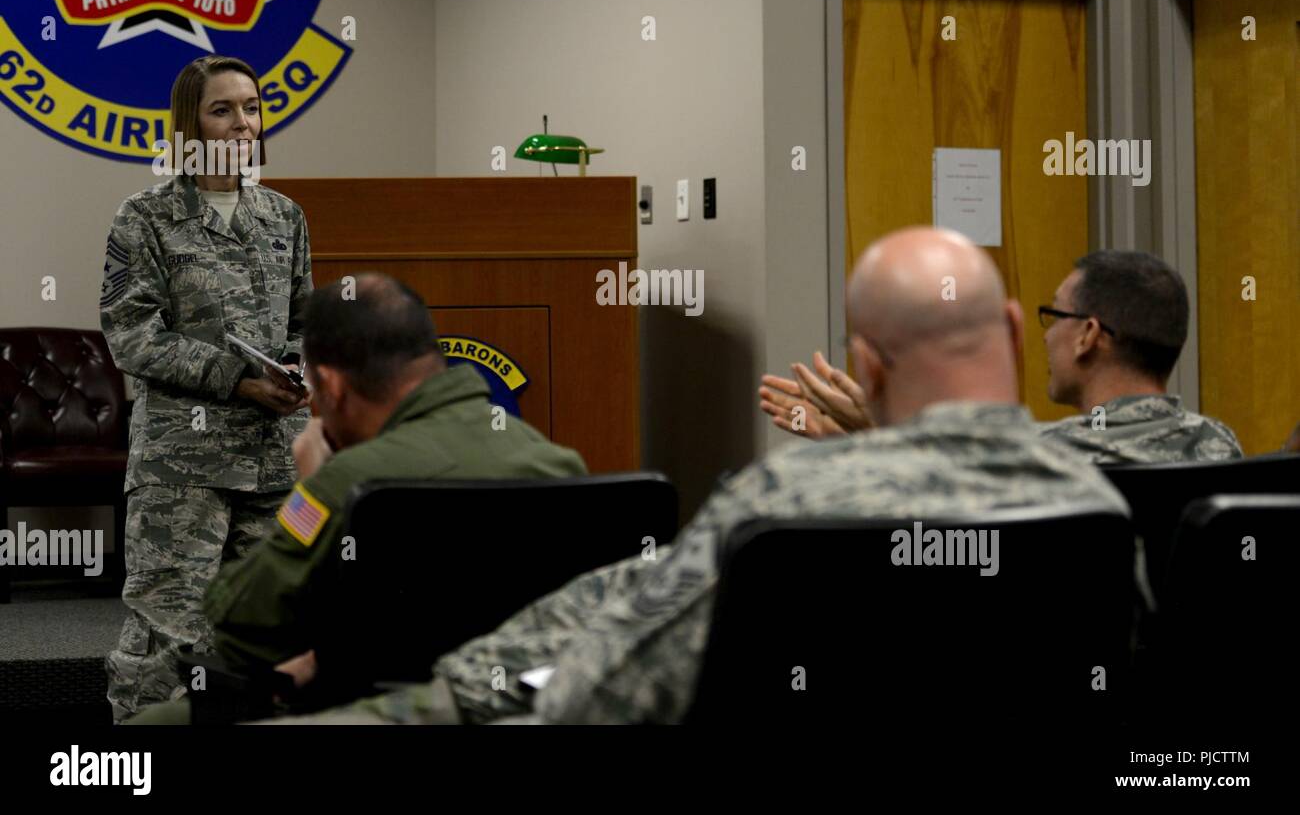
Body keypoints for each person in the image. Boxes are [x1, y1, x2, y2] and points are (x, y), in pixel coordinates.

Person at [282, 226, 1131, 725]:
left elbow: (588, 702)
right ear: (1019, 332)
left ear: (867, 368)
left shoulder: (788, 511)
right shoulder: (1098, 510)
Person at [126, 273, 588, 723]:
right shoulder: (559, 464)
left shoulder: (343, 484)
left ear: (334, 386)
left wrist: (307, 491)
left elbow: (241, 628)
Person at [101, 55, 312, 722]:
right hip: (183, 469)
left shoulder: (284, 217)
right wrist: (236, 378)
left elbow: (304, 324)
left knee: (269, 635)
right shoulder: (146, 217)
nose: (241, 122)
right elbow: (131, 335)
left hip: (275, 461)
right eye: (222, 109)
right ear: (189, 123)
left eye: (251, 107)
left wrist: (299, 374)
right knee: (165, 639)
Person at [762, 250, 1243, 465]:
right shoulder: (1221, 447)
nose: (1046, 335)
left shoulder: (1048, 457)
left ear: (1088, 336)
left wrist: (881, 425)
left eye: (1054, 315)